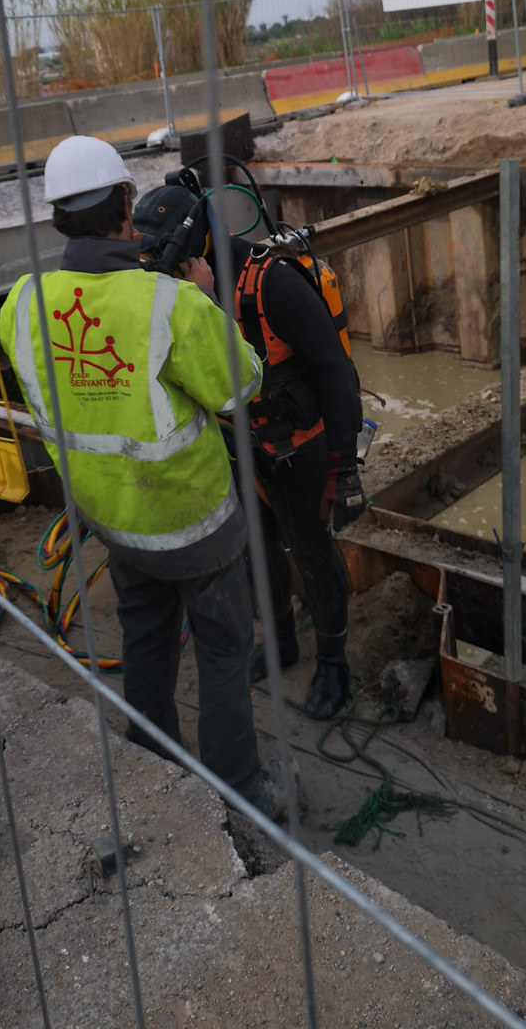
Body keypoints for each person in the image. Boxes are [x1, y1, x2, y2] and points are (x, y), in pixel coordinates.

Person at [0, 136, 281, 818]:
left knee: (147, 643)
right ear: (128, 204)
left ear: (58, 217)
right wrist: (212, 302)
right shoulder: (172, 306)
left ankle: (151, 768)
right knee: (221, 652)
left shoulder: (21, 305)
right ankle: (237, 792)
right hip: (198, 528)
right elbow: (241, 388)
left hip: (116, 524)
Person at [132, 181, 366, 720]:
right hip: (238, 446)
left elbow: (335, 371)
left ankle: (333, 662)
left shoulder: (273, 284)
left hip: (300, 448)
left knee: (310, 550)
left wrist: (344, 466)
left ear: (198, 244)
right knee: (254, 551)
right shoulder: (183, 293)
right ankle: (281, 641)